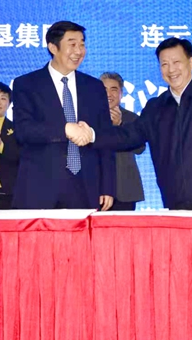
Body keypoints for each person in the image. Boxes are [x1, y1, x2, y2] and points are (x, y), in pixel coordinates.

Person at [69, 37, 192, 210]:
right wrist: (92, 135)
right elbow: (129, 135)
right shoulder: (156, 107)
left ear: (191, 63)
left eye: (176, 62)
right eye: (164, 64)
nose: (171, 70)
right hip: (175, 199)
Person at [11, 21, 116, 210]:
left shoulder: (94, 87)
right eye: (72, 44)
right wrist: (64, 129)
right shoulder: (26, 84)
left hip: (86, 186)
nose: (79, 51)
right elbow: (24, 130)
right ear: (53, 47)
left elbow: (105, 137)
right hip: (39, 187)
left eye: (82, 44)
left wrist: (107, 186)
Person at [100, 72, 145, 211]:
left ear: (121, 93)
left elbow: (140, 148)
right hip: (97, 188)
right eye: (104, 90)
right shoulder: (88, 118)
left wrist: (119, 126)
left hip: (125, 189)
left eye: (114, 89)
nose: (109, 94)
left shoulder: (132, 119)